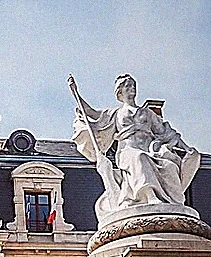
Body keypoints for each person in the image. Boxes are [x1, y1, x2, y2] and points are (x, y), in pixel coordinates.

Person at [69, 74, 199, 221]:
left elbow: (167, 133)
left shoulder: (147, 113)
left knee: (169, 165)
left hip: (151, 149)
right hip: (128, 150)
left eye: (133, 86)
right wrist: (76, 93)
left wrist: (187, 148)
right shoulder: (116, 113)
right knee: (139, 158)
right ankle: (150, 196)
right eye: (127, 86)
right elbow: (91, 112)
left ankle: (172, 201)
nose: (131, 88)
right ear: (120, 93)